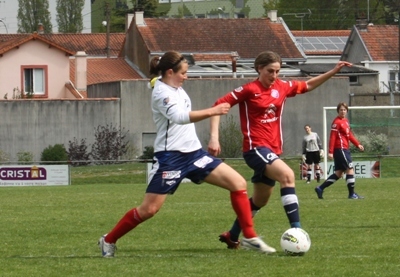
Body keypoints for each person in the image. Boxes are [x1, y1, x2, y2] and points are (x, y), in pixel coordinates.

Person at [98, 51, 276, 258]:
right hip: (171, 158)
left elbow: (156, 81)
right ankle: (108, 239)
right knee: (149, 210)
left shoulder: (172, 86)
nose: (186, 76)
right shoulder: (162, 93)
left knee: (238, 183)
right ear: (171, 72)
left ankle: (249, 236)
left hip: (194, 154)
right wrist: (213, 111)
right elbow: (180, 117)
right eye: (183, 73)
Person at [207, 51, 352, 249]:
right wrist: (214, 137)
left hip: (272, 151)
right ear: (259, 68)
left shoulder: (282, 87)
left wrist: (333, 71)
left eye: (277, 71)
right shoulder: (249, 89)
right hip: (255, 148)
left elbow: (308, 85)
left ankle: (232, 235)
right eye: (270, 71)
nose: (274, 75)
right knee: (287, 175)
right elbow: (218, 105)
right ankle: (297, 230)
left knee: (260, 200)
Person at [314, 102, 364, 200]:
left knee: (339, 173)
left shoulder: (345, 121)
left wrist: (358, 144)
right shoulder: (336, 122)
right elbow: (332, 137)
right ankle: (351, 194)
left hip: (344, 149)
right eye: (341, 110)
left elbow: (349, 135)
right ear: (338, 111)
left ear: (347, 111)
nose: (343, 111)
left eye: (344, 110)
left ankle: (320, 188)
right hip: (340, 149)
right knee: (350, 170)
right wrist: (330, 151)